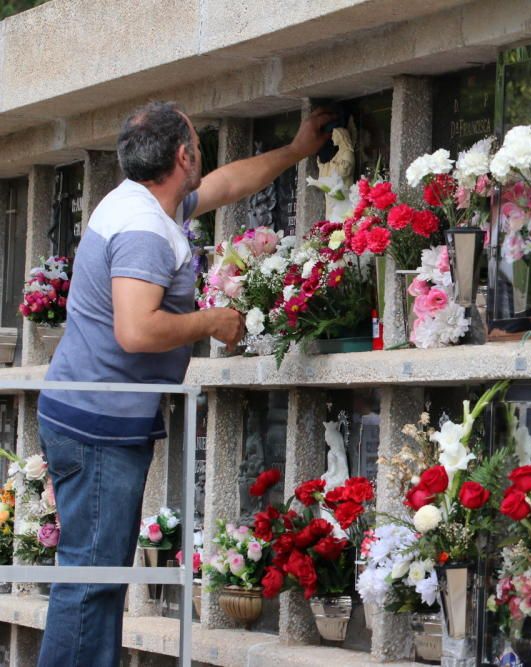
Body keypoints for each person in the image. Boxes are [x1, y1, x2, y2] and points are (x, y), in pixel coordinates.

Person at [35, 100, 333, 667]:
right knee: (92, 582)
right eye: (198, 142)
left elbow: (223, 186)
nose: (204, 154)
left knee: (95, 577)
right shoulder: (146, 229)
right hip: (99, 427)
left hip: (91, 417)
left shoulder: (147, 201)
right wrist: (211, 321)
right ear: (181, 154)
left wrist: (296, 151)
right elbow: (136, 328)